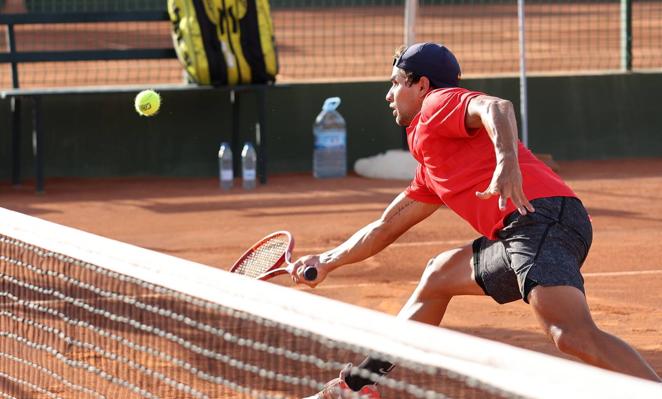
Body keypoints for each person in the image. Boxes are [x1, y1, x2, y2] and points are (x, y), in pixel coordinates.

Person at [290, 42, 662, 398]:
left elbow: (496, 107)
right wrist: (326, 261)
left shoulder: (437, 102)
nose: (389, 95)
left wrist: (506, 161)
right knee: (438, 275)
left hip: (542, 218)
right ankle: (359, 385)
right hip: (524, 232)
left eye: (395, 83)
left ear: (421, 85)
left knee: (571, 334)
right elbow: (385, 227)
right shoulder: (432, 162)